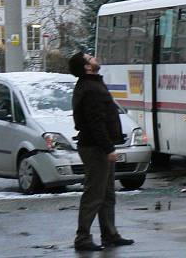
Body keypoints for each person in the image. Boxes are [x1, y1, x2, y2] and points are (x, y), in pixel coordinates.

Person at [68, 51, 134, 252]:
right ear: (87, 67)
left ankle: (110, 234)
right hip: (95, 148)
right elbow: (95, 122)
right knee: (94, 193)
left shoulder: (92, 84)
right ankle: (83, 237)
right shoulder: (90, 88)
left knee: (106, 193)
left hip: (97, 146)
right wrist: (108, 148)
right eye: (90, 58)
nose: (94, 58)